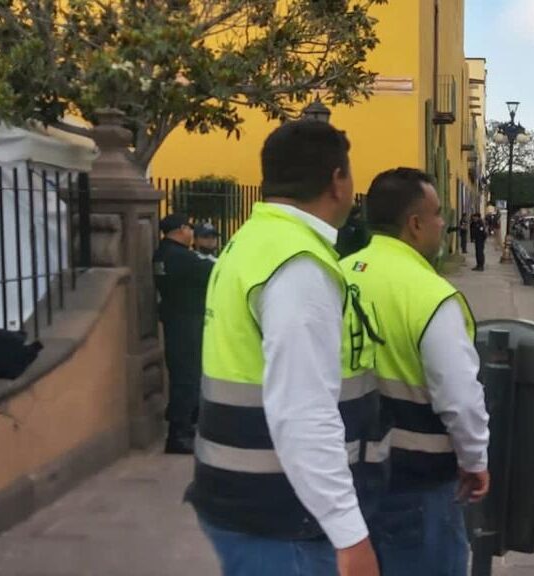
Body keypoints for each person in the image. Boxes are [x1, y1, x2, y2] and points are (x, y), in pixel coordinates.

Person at [188, 120, 385, 576]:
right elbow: (303, 411)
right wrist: (349, 533)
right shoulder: (298, 265)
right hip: (284, 518)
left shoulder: (251, 241)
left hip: (246, 501)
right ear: (338, 180)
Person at [344, 168, 490, 576]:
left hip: (342, 476)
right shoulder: (430, 295)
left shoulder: (337, 276)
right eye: (438, 214)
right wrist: (474, 459)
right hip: (414, 480)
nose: (443, 224)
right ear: (414, 224)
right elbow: (460, 398)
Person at [153, 213, 214, 454]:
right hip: (188, 321)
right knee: (187, 378)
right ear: (180, 230)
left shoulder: (162, 254)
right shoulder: (182, 257)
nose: (192, 233)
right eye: (189, 228)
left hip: (175, 319)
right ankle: (178, 435)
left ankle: (184, 428)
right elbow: (213, 269)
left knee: (182, 375)